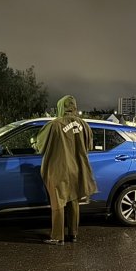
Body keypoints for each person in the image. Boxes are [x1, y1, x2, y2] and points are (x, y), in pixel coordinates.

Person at [34, 95, 98, 245]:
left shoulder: (54, 125)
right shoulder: (84, 125)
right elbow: (89, 146)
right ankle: (73, 234)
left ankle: (57, 237)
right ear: (74, 107)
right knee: (73, 201)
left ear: (61, 107)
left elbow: (39, 146)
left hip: (59, 169)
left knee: (58, 203)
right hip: (77, 169)